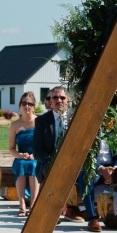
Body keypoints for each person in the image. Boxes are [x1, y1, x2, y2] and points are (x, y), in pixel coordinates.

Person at [32, 86, 70, 214]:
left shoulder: (75, 119)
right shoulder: (41, 121)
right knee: (52, 170)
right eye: (55, 97)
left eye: (62, 97)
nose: (59, 100)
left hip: (71, 162)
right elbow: (37, 151)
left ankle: (89, 215)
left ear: (68, 100)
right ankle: (54, 211)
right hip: (49, 162)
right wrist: (55, 161)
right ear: (51, 101)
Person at [7, 93, 38, 217]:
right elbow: (11, 148)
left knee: (33, 165)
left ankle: (33, 204)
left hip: (36, 157)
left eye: (30, 104)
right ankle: (22, 204)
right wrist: (20, 155)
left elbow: (44, 145)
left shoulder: (39, 122)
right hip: (21, 157)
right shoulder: (15, 125)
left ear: (34, 106)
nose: (27, 106)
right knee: (20, 164)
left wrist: (34, 155)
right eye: (24, 103)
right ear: (20, 105)